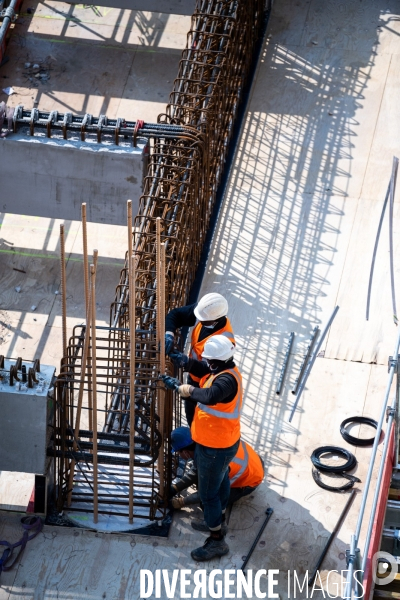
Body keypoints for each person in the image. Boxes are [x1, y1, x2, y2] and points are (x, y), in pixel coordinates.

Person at [162, 335, 242, 561]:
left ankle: (217, 541)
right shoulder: (224, 371)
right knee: (222, 480)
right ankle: (220, 522)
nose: (207, 363)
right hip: (223, 442)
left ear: (216, 361)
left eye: (209, 361)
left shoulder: (227, 381)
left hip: (215, 447)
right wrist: (185, 362)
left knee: (208, 495)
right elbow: (204, 373)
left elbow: (209, 395)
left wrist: (182, 388)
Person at [164, 292, 235, 427]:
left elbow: (211, 369)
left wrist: (185, 361)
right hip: (193, 377)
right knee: (191, 417)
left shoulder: (225, 340)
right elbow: (175, 315)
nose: (200, 321)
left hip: (206, 385)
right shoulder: (204, 311)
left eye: (204, 320)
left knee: (200, 420)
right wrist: (169, 334)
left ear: (217, 319)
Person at [170, 427, 264, 512]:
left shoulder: (212, 464)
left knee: (208, 504)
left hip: (251, 479)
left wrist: (181, 502)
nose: (178, 455)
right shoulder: (204, 443)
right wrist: (175, 488)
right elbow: (196, 469)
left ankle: (217, 527)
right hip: (253, 460)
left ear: (186, 452)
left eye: (178, 452)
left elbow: (207, 493)